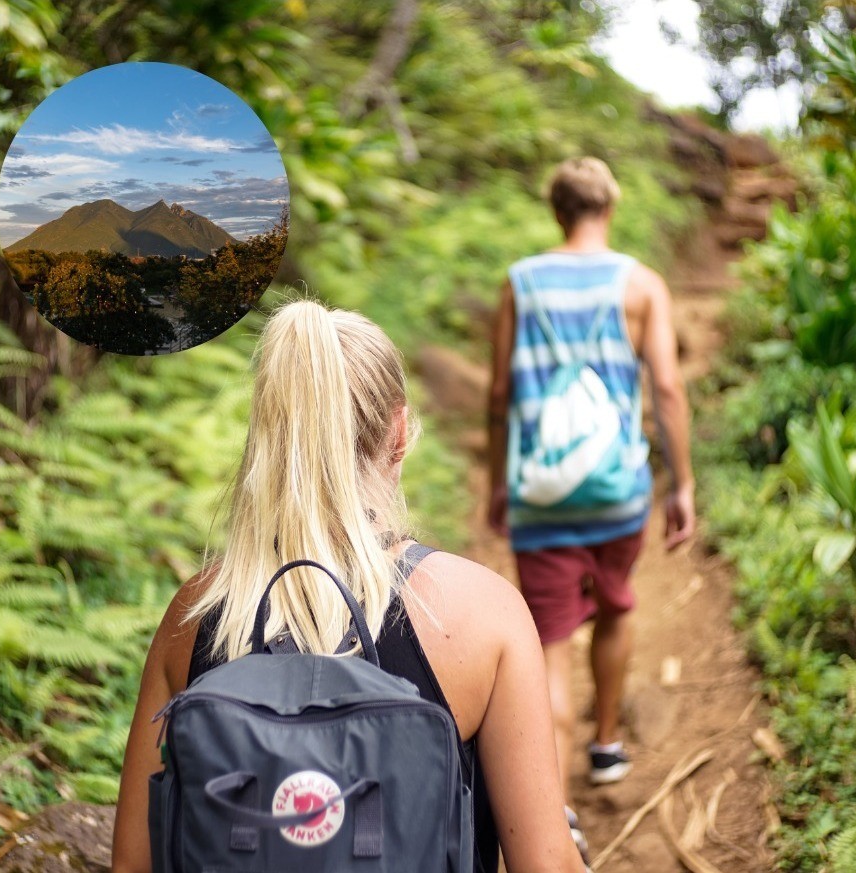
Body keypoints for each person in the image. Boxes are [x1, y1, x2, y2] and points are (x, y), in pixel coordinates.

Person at [111, 300, 588, 873]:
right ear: (399, 433)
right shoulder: (481, 613)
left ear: (267, 435)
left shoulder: (194, 619)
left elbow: (134, 865)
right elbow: (545, 865)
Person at [487, 157, 696, 827]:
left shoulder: (519, 282)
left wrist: (499, 480)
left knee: (547, 640)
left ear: (557, 211)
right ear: (610, 207)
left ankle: (556, 808)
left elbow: (499, 395)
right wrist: (682, 483)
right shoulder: (642, 285)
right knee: (615, 608)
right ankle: (606, 745)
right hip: (618, 491)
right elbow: (666, 387)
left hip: (541, 491)